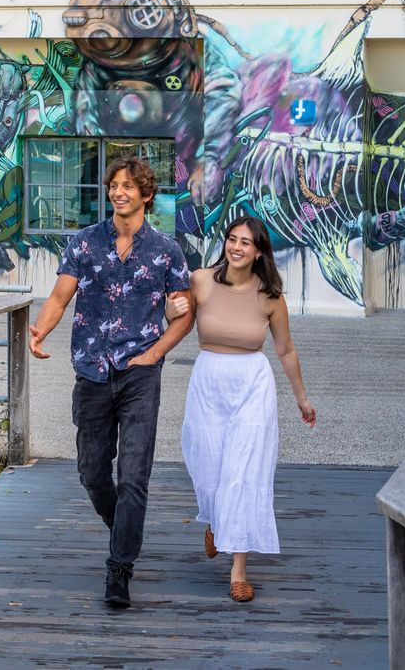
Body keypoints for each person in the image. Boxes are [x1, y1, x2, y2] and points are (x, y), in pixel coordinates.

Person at [28, 156, 193, 609]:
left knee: (134, 476)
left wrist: (154, 354)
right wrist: (40, 330)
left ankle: (119, 568)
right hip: (92, 371)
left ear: (146, 194)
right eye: (114, 185)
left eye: (128, 186)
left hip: (140, 373)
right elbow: (60, 297)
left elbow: (184, 314)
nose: (119, 192)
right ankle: (123, 527)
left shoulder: (167, 251)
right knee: (92, 472)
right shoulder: (84, 242)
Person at [167, 216, 316, 603]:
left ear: (259, 252)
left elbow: (285, 349)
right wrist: (170, 309)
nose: (236, 247)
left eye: (245, 242)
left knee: (244, 473)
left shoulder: (270, 297)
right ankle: (217, 522)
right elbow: (177, 321)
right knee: (208, 466)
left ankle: (238, 571)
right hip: (208, 382)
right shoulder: (201, 280)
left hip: (252, 384)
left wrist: (301, 398)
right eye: (232, 239)